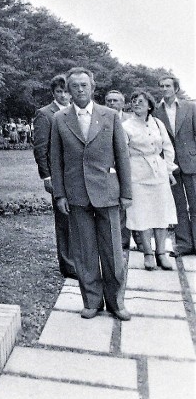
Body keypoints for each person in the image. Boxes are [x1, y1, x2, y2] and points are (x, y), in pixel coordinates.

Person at [50, 67, 132, 321]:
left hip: (107, 192)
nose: (80, 90)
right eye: (75, 86)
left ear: (93, 88)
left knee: (113, 252)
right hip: (76, 194)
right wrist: (60, 195)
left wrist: (126, 192)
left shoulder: (109, 116)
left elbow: (122, 156)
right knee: (85, 251)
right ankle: (92, 301)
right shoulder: (60, 119)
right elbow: (56, 160)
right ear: (69, 90)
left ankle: (116, 302)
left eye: (85, 85)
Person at [122, 91, 176, 271]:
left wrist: (168, 170)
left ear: (149, 106)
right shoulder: (126, 126)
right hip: (137, 173)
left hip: (158, 172)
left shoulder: (158, 123)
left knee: (161, 213)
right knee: (142, 214)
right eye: (133, 101)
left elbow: (168, 148)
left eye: (140, 101)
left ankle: (161, 253)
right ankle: (148, 254)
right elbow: (122, 153)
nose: (136, 103)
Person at [32, 75, 77, 279]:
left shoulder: (75, 112)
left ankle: (80, 259)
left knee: (78, 218)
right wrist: (46, 176)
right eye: (60, 91)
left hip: (76, 173)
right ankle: (68, 265)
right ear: (54, 93)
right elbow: (40, 148)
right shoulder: (45, 114)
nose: (64, 95)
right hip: (58, 174)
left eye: (67, 91)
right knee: (64, 219)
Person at [154, 75, 196, 258]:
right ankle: (184, 244)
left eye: (168, 86)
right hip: (169, 165)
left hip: (191, 162)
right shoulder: (156, 110)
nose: (164, 89)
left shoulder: (191, 107)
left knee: (195, 204)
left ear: (176, 88)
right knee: (177, 205)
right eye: (162, 86)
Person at [105, 89, 143, 254]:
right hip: (111, 166)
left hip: (133, 165)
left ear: (123, 102)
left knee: (136, 202)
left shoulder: (131, 119)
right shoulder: (101, 117)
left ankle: (141, 240)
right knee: (118, 204)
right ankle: (122, 241)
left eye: (115, 100)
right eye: (109, 101)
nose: (112, 103)